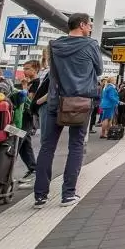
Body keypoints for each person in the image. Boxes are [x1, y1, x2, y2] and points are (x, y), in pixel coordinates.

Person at [34, 12, 102, 208]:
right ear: (81, 25)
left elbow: (53, 74)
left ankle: (40, 196)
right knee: (76, 146)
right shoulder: (90, 45)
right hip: (80, 101)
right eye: (89, 25)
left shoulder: (54, 45)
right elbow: (98, 70)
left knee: (47, 147)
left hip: (56, 100)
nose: (90, 28)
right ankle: (68, 194)